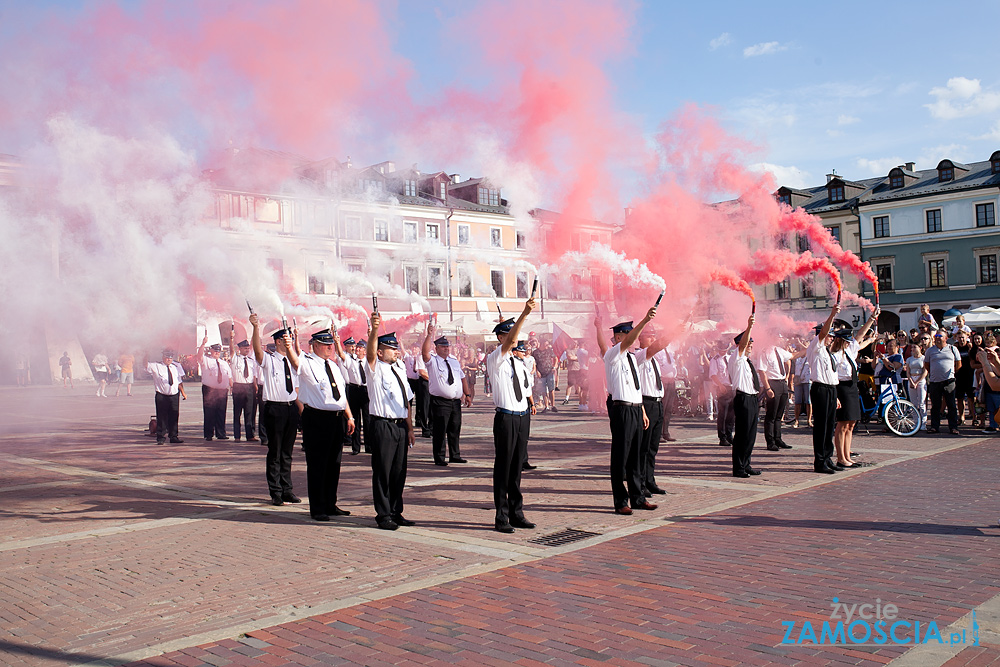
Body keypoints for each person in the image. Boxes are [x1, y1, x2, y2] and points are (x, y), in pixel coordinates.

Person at [595, 308, 658, 515]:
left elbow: (636, 387)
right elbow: (616, 344)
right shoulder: (614, 354)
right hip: (621, 409)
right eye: (630, 335)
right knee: (620, 456)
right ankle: (620, 501)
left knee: (636, 457)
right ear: (619, 337)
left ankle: (638, 498)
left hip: (635, 408)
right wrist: (645, 320)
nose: (635, 339)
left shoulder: (632, 357)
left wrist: (642, 411)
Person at [486, 296, 537, 533]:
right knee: (504, 467)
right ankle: (501, 515)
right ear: (501, 338)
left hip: (522, 416)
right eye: (509, 335)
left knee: (517, 467)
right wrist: (524, 314)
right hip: (506, 418)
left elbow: (525, 389)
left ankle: (517, 513)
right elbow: (507, 344)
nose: (515, 339)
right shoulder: (496, 358)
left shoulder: (519, 363)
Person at [297, 329, 355, 521]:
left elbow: (341, 394)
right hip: (316, 417)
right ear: (313, 345)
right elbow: (294, 358)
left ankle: (330, 503)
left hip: (336, 417)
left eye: (331, 343)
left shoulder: (334, 366)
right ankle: (318, 507)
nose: (330, 347)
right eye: (325, 344)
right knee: (317, 464)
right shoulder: (307, 362)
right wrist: (291, 343)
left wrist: (350, 416)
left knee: (334, 464)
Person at [364, 318, 416, 531]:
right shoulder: (374, 369)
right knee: (383, 471)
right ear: (379, 352)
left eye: (396, 348)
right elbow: (368, 353)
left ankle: (396, 511)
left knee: (398, 471)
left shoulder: (400, 369)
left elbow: (407, 401)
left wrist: (410, 428)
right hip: (383, 425)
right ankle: (383, 514)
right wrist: (374, 331)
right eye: (390, 349)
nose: (396, 352)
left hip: (400, 426)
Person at [250, 314, 301, 506]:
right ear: (279, 341)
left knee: (287, 452)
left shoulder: (294, 362)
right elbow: (257, 351)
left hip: (290, 409)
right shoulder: (270, 360)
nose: (291, 342)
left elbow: (296, 387)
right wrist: (256, 328)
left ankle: (287, 489)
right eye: (288, 339)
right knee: (275, 451)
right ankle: (276, 491)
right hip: (275, 408)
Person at [831, 308, 879, 469]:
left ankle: (847, 456)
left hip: (852, 387)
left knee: (851, 423)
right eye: (846, 340)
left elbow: (860, 337)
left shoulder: (849, 350)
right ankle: (841, 457)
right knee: (842, 424)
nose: (849, 341)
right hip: (841, 388)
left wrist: (872, 319)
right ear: (840, 341)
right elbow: (833, 376)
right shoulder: (836, 355)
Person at [422, 326, 471, 466]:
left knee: (455, 429)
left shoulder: (454, 361)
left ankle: (455, 455)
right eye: (443, 347)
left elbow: (462, 378)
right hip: (440, 401)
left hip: (455, 401)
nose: (446, 349)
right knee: (440, 430)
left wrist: (467, 394)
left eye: (447, 346)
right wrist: (429, 335)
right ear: (436, 348)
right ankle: (439, 457)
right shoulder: (433, 361)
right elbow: (424, 353)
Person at [635, 325, 670, 495]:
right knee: (643, 447)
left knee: (653, 447)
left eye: (654, 335)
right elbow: (659, 346)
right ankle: (640, 484)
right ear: (640, 338)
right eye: (649, 336)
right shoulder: (639, 355)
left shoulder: (653, 359)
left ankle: (650, 480)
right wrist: (676, 331)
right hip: (646, 403)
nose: (653, 339)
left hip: (657, 403)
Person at [808, 305, 841, 474]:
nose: (831, 338)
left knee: (829, 425)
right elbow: (822, 333)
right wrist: (832, 315)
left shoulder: (827, 352)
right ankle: (819, 461)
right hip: (820, 389)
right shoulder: (816, 346)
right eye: (830, 335)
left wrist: (835, 396)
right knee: (821, 426)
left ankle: (828, 457)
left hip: (830, 389)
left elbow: (831, 374)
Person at [729, 316, 761, 478]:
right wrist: (749, 326)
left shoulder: (747, 361)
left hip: (752, 398)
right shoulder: (737, 357)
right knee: (742, 434)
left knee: (751, 434)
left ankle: (746, 463)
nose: (750, 346)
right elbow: (742, 345)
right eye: (749, 343)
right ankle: (739, 467)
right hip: (743, 399)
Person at [917, 329, 962, 435]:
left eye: (940, 336)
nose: (937, 337)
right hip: (935, 381)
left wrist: (952, 373)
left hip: (949, 381)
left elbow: (958, 363)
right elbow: (926, 364)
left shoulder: (952, 349)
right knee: (935, 405)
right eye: (936, 335)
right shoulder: (930, 351)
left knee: (951, 405)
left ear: (946, 338)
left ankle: (953, 427)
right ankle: (934, 426)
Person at [756, 336, 795, 452]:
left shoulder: (778, 350)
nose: (779, 339)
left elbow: (792, 356)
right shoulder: (764, 352)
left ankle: (778, 439)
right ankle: (770, 441)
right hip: (772, 383)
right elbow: (762, 371)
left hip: (782, 382)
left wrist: (807, 350)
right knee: (771, 415)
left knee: (779, 414)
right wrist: (767, 388)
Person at [146, 349, 186, 444]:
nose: (169, 359)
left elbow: (179, 381)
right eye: (167, 357)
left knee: (174, 416)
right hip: (162, 395)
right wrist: (146, 355)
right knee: (162, 417)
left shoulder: (176, 366)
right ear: (163, 357)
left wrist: (183, 393)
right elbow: (145, 365)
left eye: (170, 357)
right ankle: (161, 437)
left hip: (174, 395)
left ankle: (173, 436)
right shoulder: (156, 366)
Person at [196, 337, 232, 441]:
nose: (217, 353)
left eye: (218, 351)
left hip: (222, 390)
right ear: (211, 351)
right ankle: (208, 434)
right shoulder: (206, 360)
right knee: (209, 412)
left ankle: (221, 433)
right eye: (215, 351)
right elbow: (199, 356)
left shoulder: (224, 363)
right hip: (210, 389)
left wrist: (231, 387)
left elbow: (229, 376)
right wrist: (203, 344)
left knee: (221, 412)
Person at [512, 340, 539, 471]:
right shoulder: (511, 365)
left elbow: (528, 389)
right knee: (515, 437)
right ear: (514, 352)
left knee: (524, 436)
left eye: (524, 351)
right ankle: (517, 462)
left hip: (525, 403)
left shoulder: (523, 366)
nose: (523, 353)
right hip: (515, 404)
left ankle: (523, 460)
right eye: (521, 351)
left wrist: (532, 404)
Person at [230, 339, 259, 442]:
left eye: (248, 348)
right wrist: (231, 339)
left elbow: (254, 376)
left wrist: (255, 388)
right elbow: (231, 350)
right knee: (237, 413)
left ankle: (250, 435)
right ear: (240, 349)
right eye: (245, 348)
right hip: (238, 386)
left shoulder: (251, 361)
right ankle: (237, 436)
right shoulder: (235, 359)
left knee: (249, 413)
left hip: (249, 387)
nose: (247, 350)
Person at [709, 341, 735, 447]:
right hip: (722, 388)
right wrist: (720, 385)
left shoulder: (730, 358)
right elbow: (713, 374)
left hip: (731, 387)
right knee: (722, 414)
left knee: (731, 414)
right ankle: (722, 436)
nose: (723, 351)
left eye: (725, 349)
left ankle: (729, 435)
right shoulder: (715, 360)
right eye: (721, 349)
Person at [404, 343, 430, 438]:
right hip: (413, 381)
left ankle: (420, 421)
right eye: (413, 347)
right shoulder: (410, 357)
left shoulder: (426, 356)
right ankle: (409, 420)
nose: (414, 349)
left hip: (420, 381)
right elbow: (421, 371)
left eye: (416, 347)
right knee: (410, 402)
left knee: (422, 403)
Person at [906, 332, 930, 430]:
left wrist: (918, 381)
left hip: (921, 379)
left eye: (914, 347)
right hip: (912, 378)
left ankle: (923, 422)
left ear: (920, 348)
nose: (912, 350)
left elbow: (925, 371)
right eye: (912, 348)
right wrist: (911, 381)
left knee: (922, 402)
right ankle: (916, 422)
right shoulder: (909, 359)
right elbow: (907, 371)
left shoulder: (923, 358)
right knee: (913, 403)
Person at [655, 343, 679, 442]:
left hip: (671, 381)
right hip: (663, 380)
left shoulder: (670, 350)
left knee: (668, 409)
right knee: (662, 408)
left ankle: (665, 432)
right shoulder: (656, 350)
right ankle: (659, 433)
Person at [952, 330, 975, 426]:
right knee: (960, 398)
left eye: (963, 337)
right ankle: (961, 417)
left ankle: (974, 417)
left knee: (971, 398)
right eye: (959, 337)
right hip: (959, 375)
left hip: (969, 375)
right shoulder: (955, 348)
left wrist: (970, 349)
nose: (961, 339)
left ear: (966, 338)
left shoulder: (970, 347)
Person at [789, 342, 812, 428]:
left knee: (808, 401)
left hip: (808, 380)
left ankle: (809, 420)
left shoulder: (809, 356)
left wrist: (800, 342)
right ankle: (797, 420)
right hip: (798, 381)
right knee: (797, 402)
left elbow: (809, 349)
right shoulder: (797, 357)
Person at [532, 339, 558, 413]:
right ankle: (546, 406)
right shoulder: (535, 352)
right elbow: (534, 363)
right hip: (541, 373)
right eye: (545, 345)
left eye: (547, 345)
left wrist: (554, 366)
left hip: (549, 372)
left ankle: (553, 405)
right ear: (541, 344)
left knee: (551, 389)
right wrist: (537, 371)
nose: (547, 346)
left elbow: (555, 358)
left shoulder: (549, 350)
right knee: (543, 391)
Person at [560, 340, 583, 406]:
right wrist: (577, 358)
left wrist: (576, 357)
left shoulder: (579, 350)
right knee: (570, 384)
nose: (574, 344)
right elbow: (570, 357)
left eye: (576, 343)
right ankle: (566, 399)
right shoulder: (568, 350)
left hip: (578, 369)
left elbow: (582, 357)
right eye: (573, 343)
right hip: (571, 370)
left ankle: (581, 399)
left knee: (579, 385)